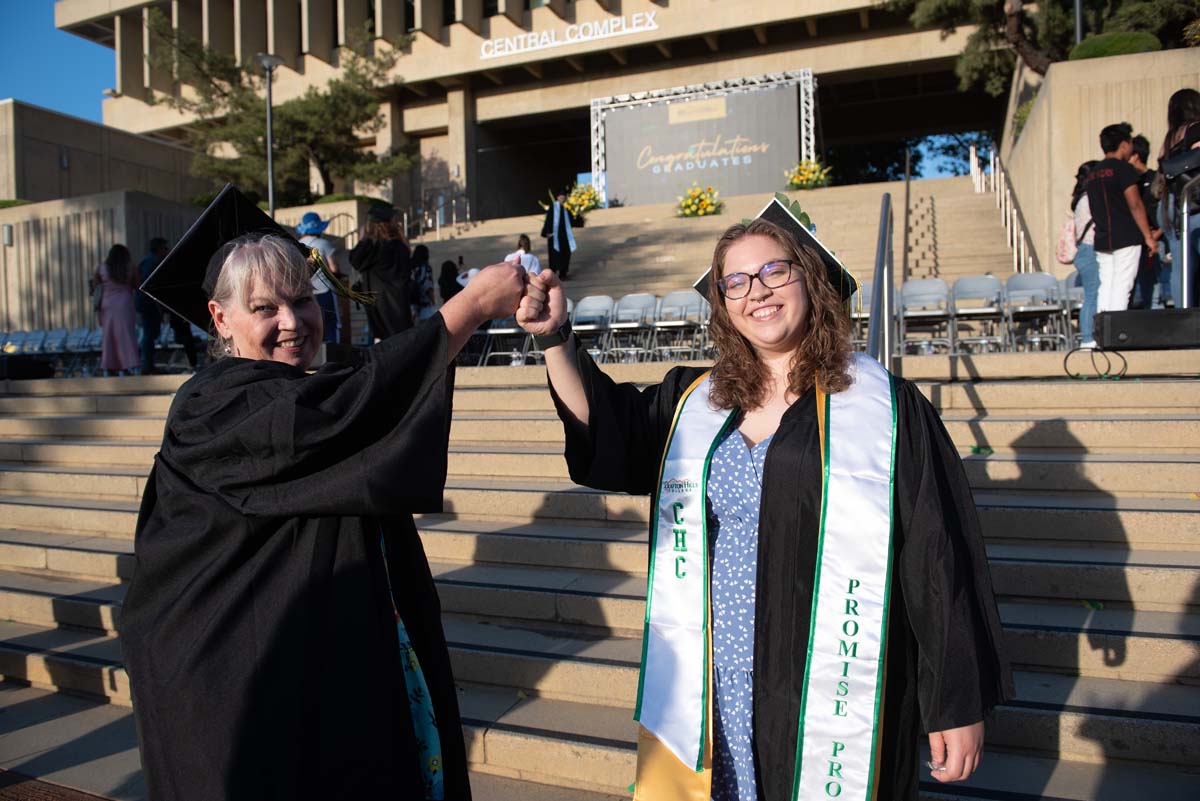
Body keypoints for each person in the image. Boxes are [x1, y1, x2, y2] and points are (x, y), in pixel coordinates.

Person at [515, 198, 1012, 801]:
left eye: (775, 271)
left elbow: (937, 558)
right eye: (737, 282)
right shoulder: (695, 401)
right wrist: (555, 339)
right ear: (724, 305)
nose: (758, 291)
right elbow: (608, 432)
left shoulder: (886, 410)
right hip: (711, 674)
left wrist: (955, 700)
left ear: (810, 277)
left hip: (824, 674)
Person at [123, 186, 529, 801]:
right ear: (219, 317)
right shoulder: (215, 405)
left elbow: (351, 398)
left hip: (318, 674)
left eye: (302, 300)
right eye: (265, 308)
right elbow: (352, 403)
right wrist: (468, 306)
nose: (292, 321)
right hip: (233, 684)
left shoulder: (297, 391)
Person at [1085, 123, 1159, 313]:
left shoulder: (1093, 174)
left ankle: (1102, 331)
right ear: (1124, 144)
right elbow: (1135, 203)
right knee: (1122, 286)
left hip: (1102, 237)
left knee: (1106, 286)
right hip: (1126, 236)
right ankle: (1116, 334)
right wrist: (1148, 236)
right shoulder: (1124, 169)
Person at [1158, 88, 1200, 309]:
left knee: (1181, 267)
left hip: (1171, 204)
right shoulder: (1196, 129)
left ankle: (1184, 315)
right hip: (1195, 203)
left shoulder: (1169, 138)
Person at [350, 204, 414, 339]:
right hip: (399, 302)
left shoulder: (374, 248)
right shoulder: (400, 247)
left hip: (379, 306)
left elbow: (354, 260)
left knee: (384, 341)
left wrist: (363, 239)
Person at [1129, 135, 1169, 309]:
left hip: (1155, 243)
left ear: (1136, 156)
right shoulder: (1130, 183)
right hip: (1134, 243)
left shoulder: (1155, 179)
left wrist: (1155, 235)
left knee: (1154, 292)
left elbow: (1166, 211)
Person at [296, 211, 343, 343]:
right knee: (332, 325)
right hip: (325, 290)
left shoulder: (296, 245)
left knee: (311, 327)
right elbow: (334, 268)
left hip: (305, 293)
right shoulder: (324, 244)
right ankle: (334, 357)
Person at [94, 244, 140, 376]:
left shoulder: (102, 268)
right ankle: (130, 364)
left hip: (107, 304)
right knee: (127, 334)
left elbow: (96, 285)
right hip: (125, 302)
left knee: (109, 335)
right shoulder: (130, 267)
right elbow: (138, 285)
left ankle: (109, 366)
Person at [1070, 161, 1101, 347]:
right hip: (1090, 250)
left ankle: (1090, 336)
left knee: (1093, 294)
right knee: (1092, 295)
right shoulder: (1090, 198)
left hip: (1085, 250)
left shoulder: (1080, 198)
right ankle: (1088, 338)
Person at [136, 238, 169, 373]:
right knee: (149, 334)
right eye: (165, 248)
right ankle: (147, 365)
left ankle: (148, 364)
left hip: (146, 303)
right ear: (159, 248)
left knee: (150, 334)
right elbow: (152, 285)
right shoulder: (153, 263)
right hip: (149, 304)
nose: (167, 251)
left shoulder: (146, 261)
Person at [541, 191, 577, 280]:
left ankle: (563, 274)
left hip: (564, 237)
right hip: (554, 236)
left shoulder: (566, 209)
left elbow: (572, 221)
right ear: (557, 198)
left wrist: (580, 218)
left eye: (564, 197)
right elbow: (548, 219)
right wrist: (547, 232)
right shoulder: (553, 207)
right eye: (561, 197)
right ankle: (552, 275)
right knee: (554, 256)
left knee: (565, 254)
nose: (562, 199)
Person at [410, 244, 437, 321]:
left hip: (411, 306)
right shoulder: (426, 268)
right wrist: (433, 302)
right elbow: (428, 286)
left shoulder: (410, 267)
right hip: (425, 307)